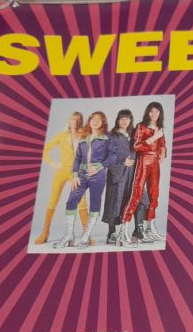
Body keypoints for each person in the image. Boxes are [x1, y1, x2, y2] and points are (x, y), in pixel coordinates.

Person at [53, 111, 113, 249]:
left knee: (94, 203)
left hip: (98, 175)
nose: (95, 121)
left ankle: (86, 237)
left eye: (99, 119)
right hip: (81, 174)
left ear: (103, 122)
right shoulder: (84, 137)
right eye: (93, 119)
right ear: (89, 121)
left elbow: (113, 156)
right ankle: (69, 235)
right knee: (71, 200)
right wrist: (74, 174)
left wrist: (100, 166)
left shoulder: (107, 138)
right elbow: (77, 158)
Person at [34, 112, 90, 244]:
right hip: (62, 171)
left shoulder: (84, 135)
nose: (74, 122)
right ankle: (45, 232)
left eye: (77, 120)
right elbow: (45, 149)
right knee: (53, 200)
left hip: (76, 173)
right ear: (69, 121)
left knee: (82, 202)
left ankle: (86, 234)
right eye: (72, 119)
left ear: (80, 121)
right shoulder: (61, 135)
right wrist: (52, 163)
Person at [120, 102, 167, 244]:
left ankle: (150, 228)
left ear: (160, 113)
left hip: (155, 163)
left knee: (154, 195)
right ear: (147, 112)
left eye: (157, 111)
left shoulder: (160, 128)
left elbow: (163, 145)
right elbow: (136, 146)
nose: (154, 114)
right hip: (143, 161)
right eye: (151, 111)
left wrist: (163, 153)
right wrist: (153, 138)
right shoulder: (141, 126)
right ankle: (123, 232)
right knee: (136, 194)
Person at [101, 110, 137, 245]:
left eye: (127, 118)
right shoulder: (110, 136)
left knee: (127, 200)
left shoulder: (133, 136)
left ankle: (124, 232)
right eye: (122, 118)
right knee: (114, 201)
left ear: (130, 120)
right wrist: (122, 163)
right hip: (116, 173)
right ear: (117, 120)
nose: (124, 121)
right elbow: (106, 156)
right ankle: (111, 233)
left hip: (131, 174)